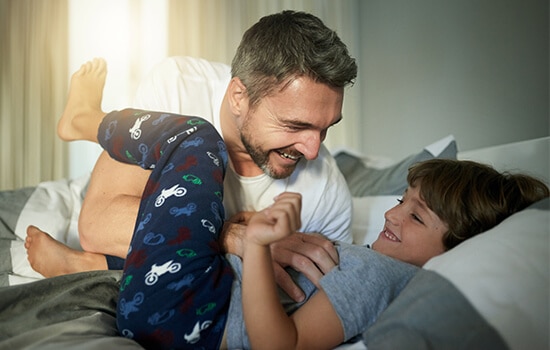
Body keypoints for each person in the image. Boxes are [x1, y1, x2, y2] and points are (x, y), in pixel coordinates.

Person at [27, 57, 549, 349]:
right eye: (400, 201)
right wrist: (243, 242)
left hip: (185, 319)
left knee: (195, 138)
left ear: (455, 250)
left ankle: (84, 122)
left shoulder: (376, 271)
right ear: (241, 96)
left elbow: (281, 344)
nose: (390, 214)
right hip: (191, 305)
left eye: (415, 216)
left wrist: (255, 245)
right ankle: (89, 266)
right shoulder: (380, 269)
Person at [26, 10, 358, 302]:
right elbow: (98, 227)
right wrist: (236, 237)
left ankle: (87, 266)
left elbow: (303, 300)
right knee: (196, 135)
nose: (313, 150)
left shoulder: (328, 197)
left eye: (325, 128)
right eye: (294, 125)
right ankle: (84, 119)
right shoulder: (179, 86)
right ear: (239, 97)